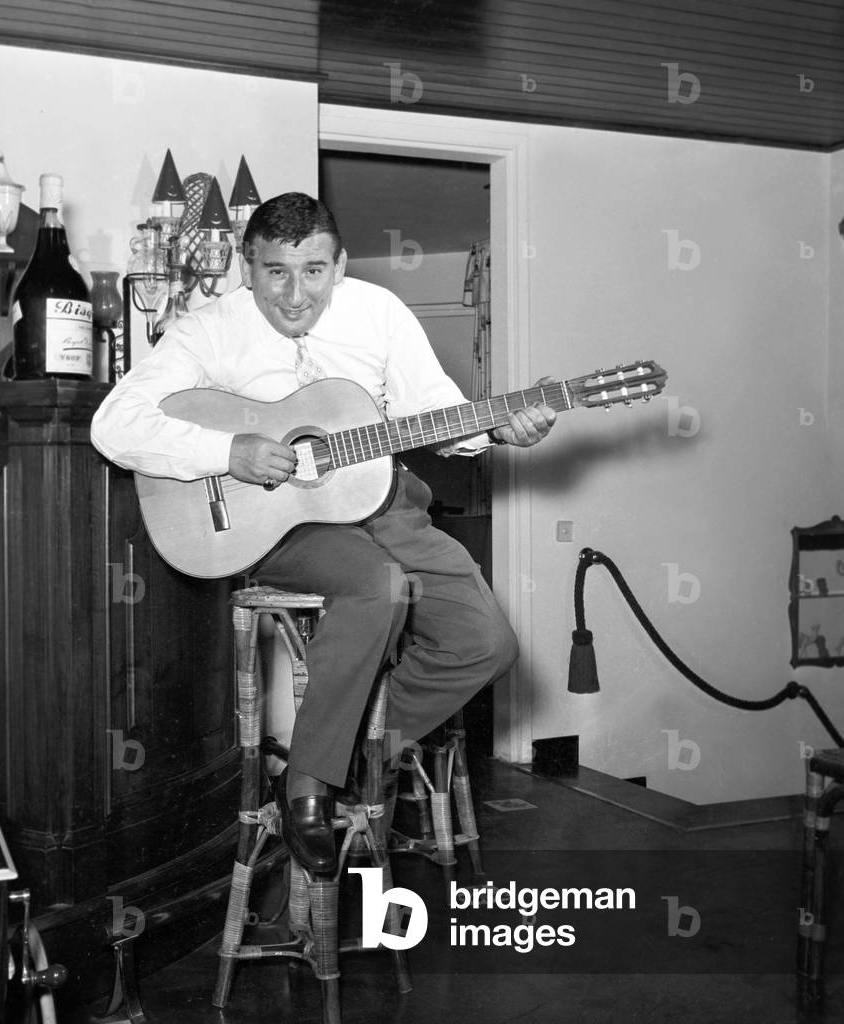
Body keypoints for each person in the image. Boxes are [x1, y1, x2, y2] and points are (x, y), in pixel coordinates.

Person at [91, 192, 556, 874]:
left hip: (385, 502)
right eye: (275, 271)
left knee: (483, 643)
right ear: (247, 267)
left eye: (313, 270)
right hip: (282, 520)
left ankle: (356, 751)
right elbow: (113, 425)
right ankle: (307, 783)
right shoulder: (206, 329)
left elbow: (434, 410)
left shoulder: (379, 313)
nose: (294, 292)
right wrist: (228, 453)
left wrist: (497, 426)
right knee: (376, 584)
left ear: (338, 264)